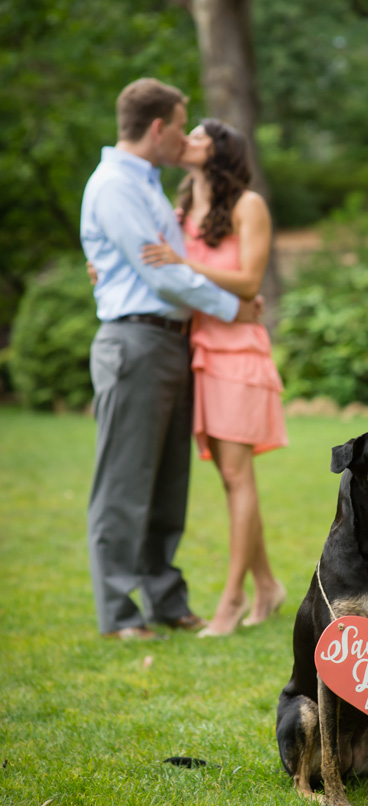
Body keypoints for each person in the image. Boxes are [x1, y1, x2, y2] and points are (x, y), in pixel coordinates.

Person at [81, 78, 259, 641]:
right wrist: (236, 307)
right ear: (157, 127)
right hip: (136, 343)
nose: (184, 135)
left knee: (166, 484)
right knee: (125, 483)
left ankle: (166, 598)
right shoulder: (114, 186)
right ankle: (119, 613)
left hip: (171, 344)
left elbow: (166, 261)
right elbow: (160, 274)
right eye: (181, 124)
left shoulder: (150, 186)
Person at [141, 119, 288, 637]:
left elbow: (250, 281)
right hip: (200, 351)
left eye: (200, 136)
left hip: (240, 354)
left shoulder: (249, 205)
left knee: (235, 476)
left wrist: (185, 264)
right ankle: (268, 585)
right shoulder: (180, 210)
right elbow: (154, 263)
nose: (189, 141)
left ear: (222, 151)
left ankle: (231, 601)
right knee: (231, 477)